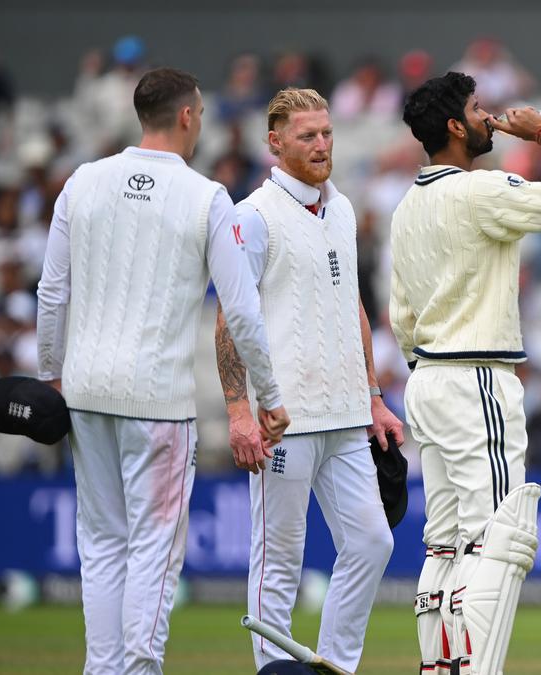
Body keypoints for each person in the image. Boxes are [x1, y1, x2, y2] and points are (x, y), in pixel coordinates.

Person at [35, 67, 288, 675]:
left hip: (87, 391)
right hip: (158, 400)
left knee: (100, 545)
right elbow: (243, 311)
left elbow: (51, 292)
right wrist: (269, 393)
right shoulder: (206, 197)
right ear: (185, 116)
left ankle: (103, 669)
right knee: (153, 549)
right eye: (199, 114)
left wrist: (51, 375)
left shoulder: (82, 181)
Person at [392, 71, 541, 675]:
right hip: (474, 377)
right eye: (478, 108)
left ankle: (443, 668)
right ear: (456, 127)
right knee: (500, 539)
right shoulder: (480, 191)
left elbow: (402, 317)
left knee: (446, 543)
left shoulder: (407, 205)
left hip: (428, 381)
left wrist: (431, 370)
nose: (489, 116)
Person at [211, 87, 404, 673]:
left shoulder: (341, 208)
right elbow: (228, 318)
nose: (321, 146)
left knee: (373, 542)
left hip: (346, 413)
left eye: (326, 134)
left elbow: (354, 309)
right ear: (275, 142)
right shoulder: (253, 216)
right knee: (279, 559)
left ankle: (335, 666)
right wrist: (240, 410)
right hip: (282, 419)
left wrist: (374, 396)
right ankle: (274, 667)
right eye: (306, 136)